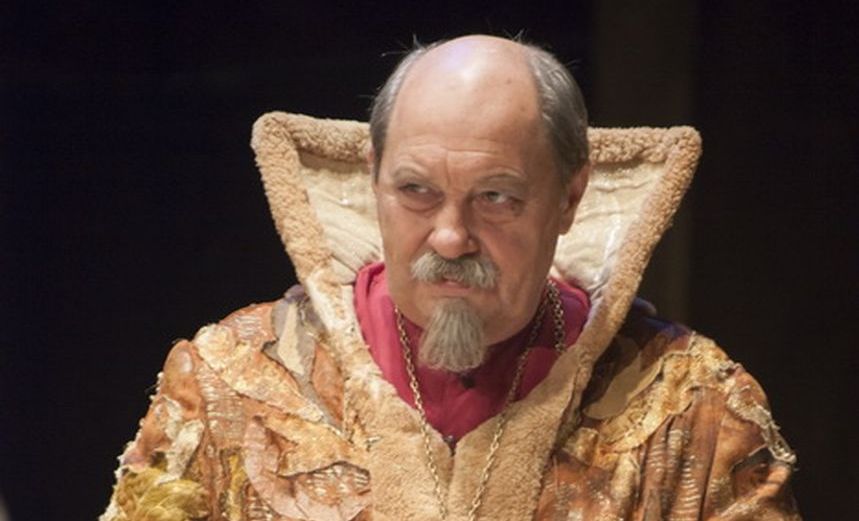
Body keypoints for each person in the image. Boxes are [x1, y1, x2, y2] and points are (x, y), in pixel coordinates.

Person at [101, 35, 800, 520]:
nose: (449, 236)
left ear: (569, 197)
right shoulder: (227, 385)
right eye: (416, 190)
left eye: (495, 196)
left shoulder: (694, 412)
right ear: (372, 178)